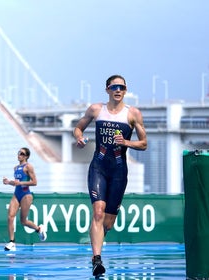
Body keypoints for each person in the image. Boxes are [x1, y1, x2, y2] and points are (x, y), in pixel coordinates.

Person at [73, 74, 147, 276]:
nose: (118, 90)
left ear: (125, 90)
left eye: (122, 87)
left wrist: (127, 143)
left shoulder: (133, 114)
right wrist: (79, 139)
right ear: (107, 89)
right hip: (98, 167)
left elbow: (144, 143)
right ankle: (97, 259)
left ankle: (97, 241)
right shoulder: (97, 110)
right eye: (114, 86)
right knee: (98, 211)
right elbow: (78, 128)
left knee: (108, 222)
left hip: (118, 171)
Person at [3, 147, 47, 251]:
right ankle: (12, 242)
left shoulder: (28, 167)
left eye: (22, 154)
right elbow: (16, 183)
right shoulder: (15, 168)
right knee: (10, 216)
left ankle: (39, 229)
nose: (19, 155)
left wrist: (21, 183)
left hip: (26, 195)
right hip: (16, 194)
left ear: (26, 156)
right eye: (19, 153)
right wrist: (8, 182)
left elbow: (34, 182)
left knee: (23, 221)